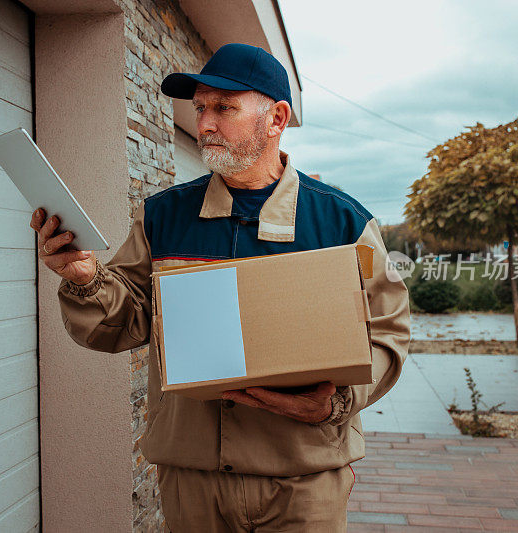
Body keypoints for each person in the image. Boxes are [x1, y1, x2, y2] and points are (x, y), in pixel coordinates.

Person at [30, 43, 410, 533]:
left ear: (276, 118)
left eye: (224, 108)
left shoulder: (342, 222)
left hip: (304, 482)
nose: (204, 123)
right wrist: (86, 280)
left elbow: (388, 335)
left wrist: (336, 402)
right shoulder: (163, 216)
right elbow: (126, 322)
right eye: (200, 108)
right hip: (194, 484)